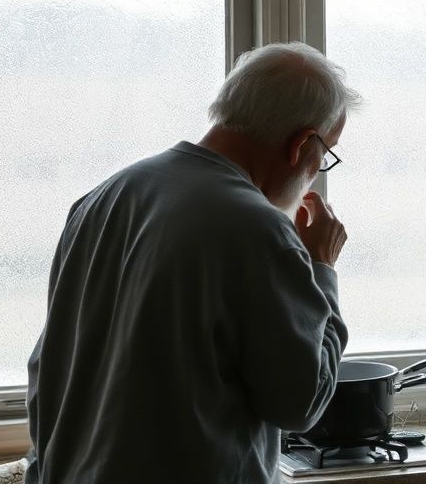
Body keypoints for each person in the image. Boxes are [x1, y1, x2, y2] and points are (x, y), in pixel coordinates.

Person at [25, 42, 358, 484]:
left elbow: (46, 369)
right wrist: (321, 269)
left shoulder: (103, 197)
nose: (318, 172)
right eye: (326, 155)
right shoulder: (258, 230)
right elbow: (300, 404)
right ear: (301, 145)